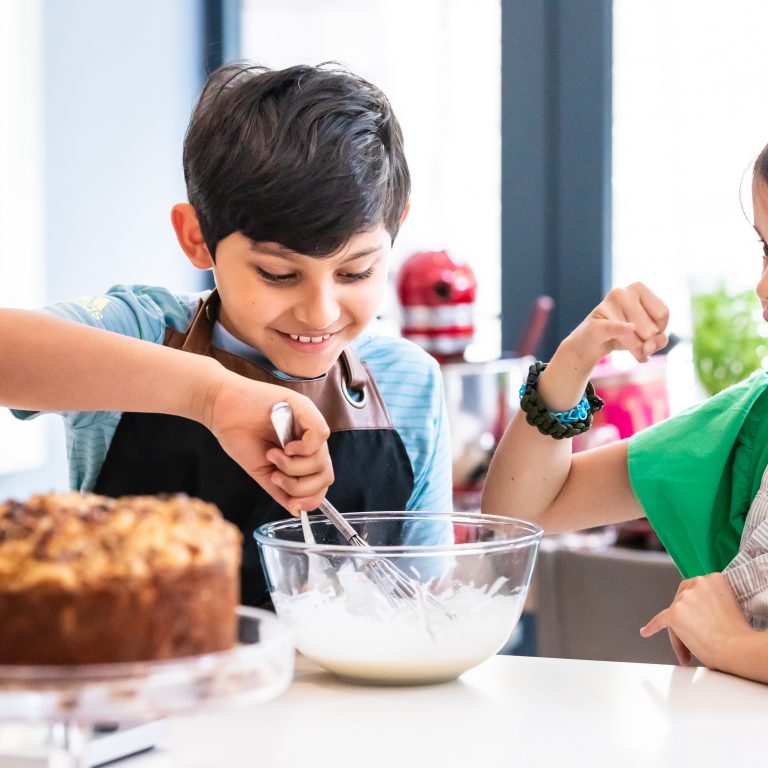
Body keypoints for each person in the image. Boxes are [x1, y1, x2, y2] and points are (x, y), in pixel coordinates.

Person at [0, 63, 452, 606]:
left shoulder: (409, 381)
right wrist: (209, 395)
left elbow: (424, 594)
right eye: (278, 274)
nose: (319, 311)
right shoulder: (141, 331)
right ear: (197, 238)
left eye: (356, 272)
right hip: (144, 682)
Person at [482, 142, 768, 685]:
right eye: (767, 248)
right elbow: (523, 509)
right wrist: (575, 358)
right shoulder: (754, 422)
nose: (762, 287)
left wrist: (730, 641)